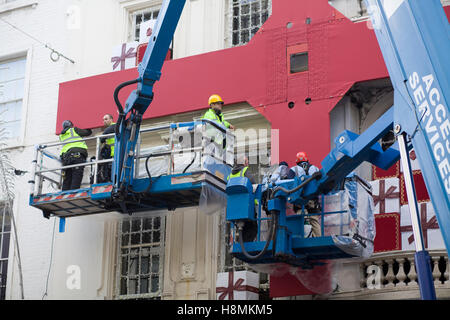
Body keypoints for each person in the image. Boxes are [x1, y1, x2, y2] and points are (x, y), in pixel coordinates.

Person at [287, 151, 322, 237]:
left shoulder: (293, 169)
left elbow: (289, 184)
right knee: (314, 222)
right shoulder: (316, 168)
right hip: (313, 202)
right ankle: (318, 239)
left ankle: (304, 240)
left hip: (300, 202)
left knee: (301, 221)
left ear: (297, 161)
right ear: (307, 159)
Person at [227, 155, 257, 242]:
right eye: (246, 161)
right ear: (243, 163)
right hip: (246, 206)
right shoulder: (244, 171)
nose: (247, 163)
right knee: (252, 228)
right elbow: (253, 184)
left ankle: (242, 242)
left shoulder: (230, 176)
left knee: (242, 230)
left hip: (234, 208)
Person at [59, 120, 92, 191]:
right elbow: (88, 133)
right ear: (71, 125)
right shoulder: (73, 129)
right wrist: (89, 125)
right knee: (77, 175)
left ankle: (64, 193)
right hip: (77, 155)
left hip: (66, 158)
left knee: (67, 177)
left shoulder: (61, 135)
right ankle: (73, 192)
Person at [97, 114, 116, 183]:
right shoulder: (115, 127)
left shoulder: (112, 127)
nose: (104, 121)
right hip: (113, 153)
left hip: (113, 153)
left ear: (111, 119)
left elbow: (102, 138)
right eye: (103, 120)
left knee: (111, 170)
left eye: (106, 119)